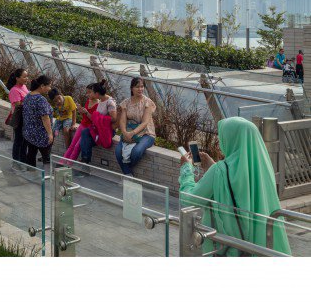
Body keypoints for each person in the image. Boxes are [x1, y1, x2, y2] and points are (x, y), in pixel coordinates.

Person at [179, 117, 291, 256]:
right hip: (263, 246)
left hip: (231, 248)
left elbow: (190, 199)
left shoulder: (220, 171)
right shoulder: (264, 168)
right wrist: (213, 166)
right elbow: (240, 187)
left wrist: (186, 169)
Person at [115, 77, 156, 176]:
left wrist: (132, 133)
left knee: (136, 152)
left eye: (142, 87)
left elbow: (145, 122)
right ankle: (129, 175)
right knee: (117, 152)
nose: (140, 89)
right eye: (137, 87)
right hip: (129, 132)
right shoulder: (126, 103)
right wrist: (124, 133)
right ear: (131, 88)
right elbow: (123, 120)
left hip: (147, 133)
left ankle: (127, 173)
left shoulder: (148, 102)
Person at [79, 80, 117, 164]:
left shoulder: (110, 103)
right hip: (98, 127)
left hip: (107, 130)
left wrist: (98, 117)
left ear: (97, 93)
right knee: (85, 133)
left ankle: (85, 160)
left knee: (85, 142)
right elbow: (94, 118)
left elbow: (114, 118)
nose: (91, 94)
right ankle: (85, 159)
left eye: (92, 92)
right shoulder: (100, 101)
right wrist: (86, 113)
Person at [22, 74, 54, 168]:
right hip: (40, 134)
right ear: (42, 86)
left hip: (29, 132)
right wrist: (50, 133)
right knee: (46, 158)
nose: (49, 88)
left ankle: (30, 175)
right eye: (49, 86)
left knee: (31, 155)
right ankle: (48, 178)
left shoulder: (28, 96)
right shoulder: (40, 99)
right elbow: (45, 118)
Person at [63, 83, 101, 161]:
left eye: (89, 92)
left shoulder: (99, 105)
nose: (87, 94)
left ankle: (69, 165)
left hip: (89, 129)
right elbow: (85, 117)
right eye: (87, 92)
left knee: (77, 147)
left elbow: (95, 121)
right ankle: (63, 162)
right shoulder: (88, 101)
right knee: (72, 145)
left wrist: (86, 112)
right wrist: (81, 111)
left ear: (95, 92)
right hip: (82, 125)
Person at [5, 68, 29, 165]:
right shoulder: (14, 90)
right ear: (17, 78)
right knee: (19, 140)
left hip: (26, 117)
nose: (26, 78)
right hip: (20, 119)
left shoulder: (24, 87)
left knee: (25, 141)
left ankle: (23, 160)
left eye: (27, 76)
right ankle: (16, 161)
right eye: (24, 77)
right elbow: (19, 105)